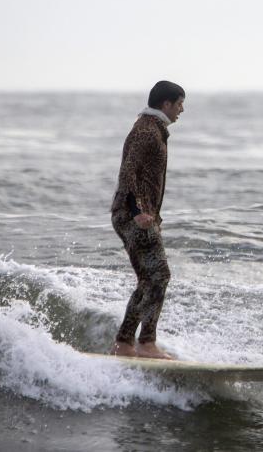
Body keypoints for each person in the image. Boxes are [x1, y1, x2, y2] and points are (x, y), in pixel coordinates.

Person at [109, 81, 185, 358]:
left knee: (148, 279)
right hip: (133, 215)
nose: (181, 109)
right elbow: (128, 172)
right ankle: (145, 343)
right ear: (166, 104)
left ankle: (125, 343)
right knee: (160, 275)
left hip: (134, 214)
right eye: (179, 104)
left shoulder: (152, 128)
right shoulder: (146, 131)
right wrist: (137, 211)